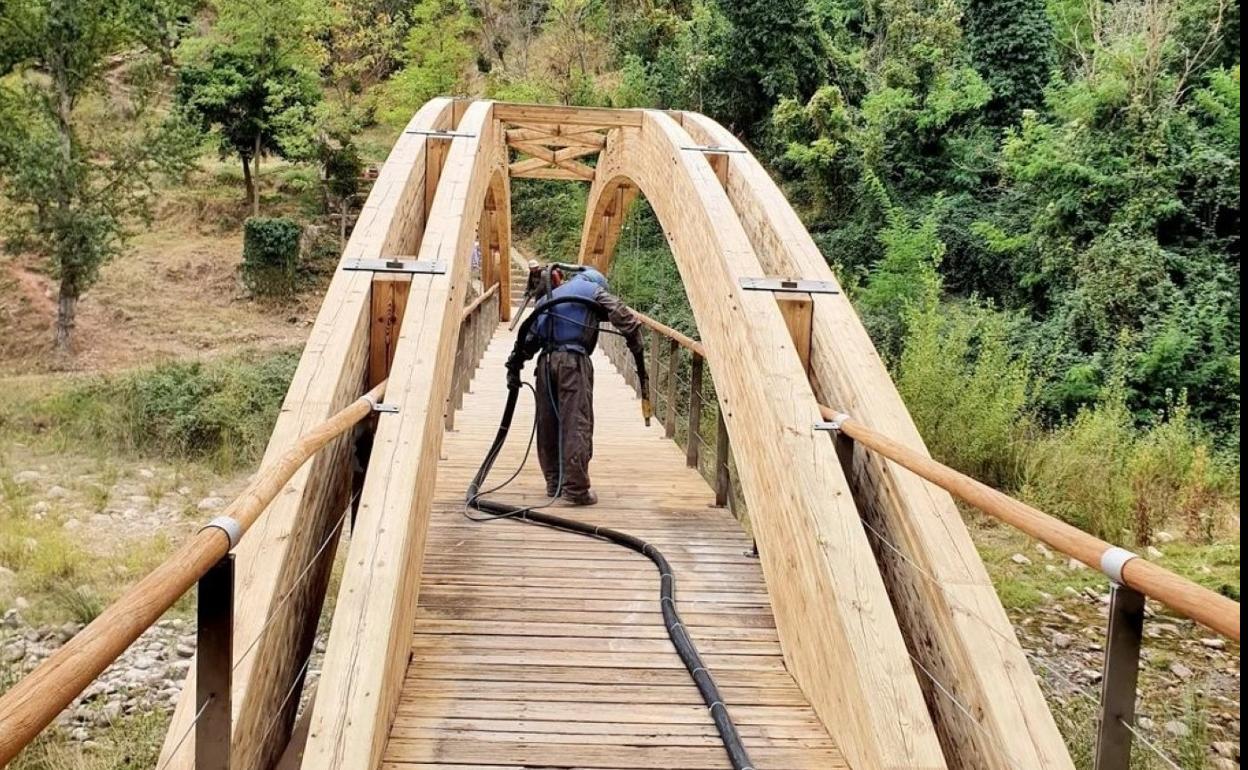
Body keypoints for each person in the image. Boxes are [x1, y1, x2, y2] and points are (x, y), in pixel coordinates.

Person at [512, 265, 645, 505]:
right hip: (573, 362)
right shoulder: (592, 289)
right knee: (576, 421)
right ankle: (575, 489)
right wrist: (636, 345)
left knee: (548, 424)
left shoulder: (551, 296)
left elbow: (528, 339)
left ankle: (554, 483)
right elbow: (621, 314)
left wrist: (515, 364)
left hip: (545, 363)